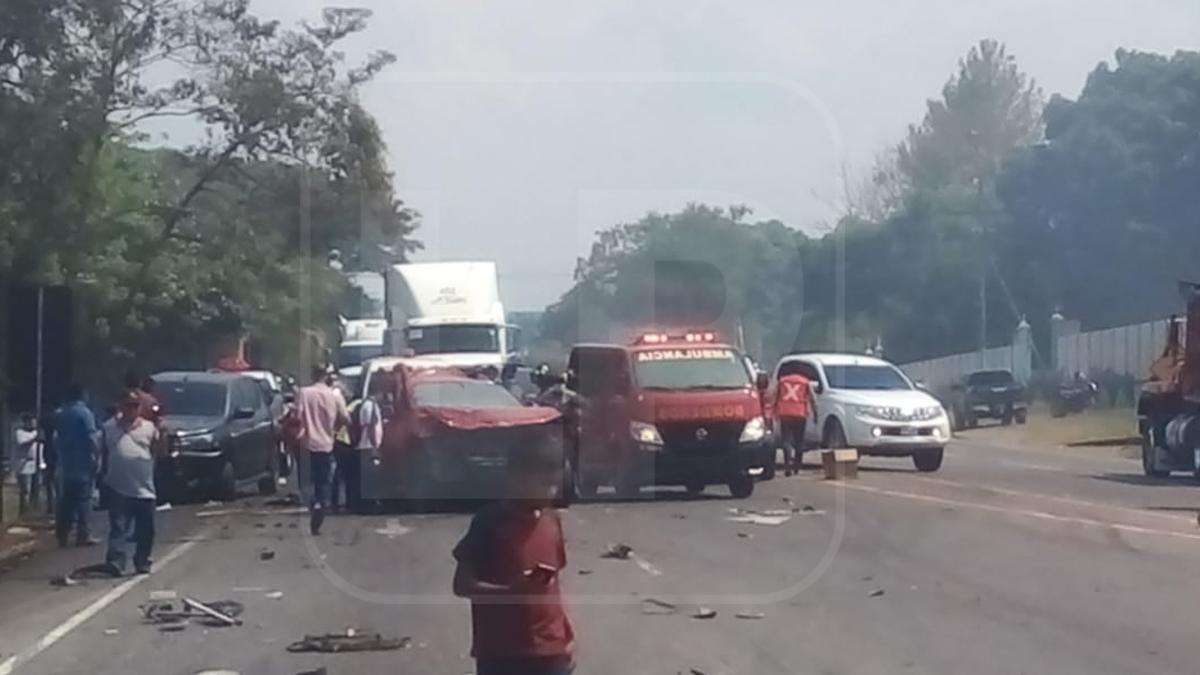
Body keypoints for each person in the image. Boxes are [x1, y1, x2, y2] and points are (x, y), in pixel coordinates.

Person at [452, 438, 576, 675]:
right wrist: (511, 590)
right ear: (516, 477)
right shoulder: (489, 523)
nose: (550, 492)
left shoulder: (551, 521)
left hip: (551, 651)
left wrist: (567, 636)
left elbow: (553, 588)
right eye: (543, 484)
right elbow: (462, 585)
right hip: (502, 654)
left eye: (554, 485)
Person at [101, 390, 165, 575]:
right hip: (118, 487)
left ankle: (142, 560)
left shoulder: (149, 428)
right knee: (118, 527)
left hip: (144, 488)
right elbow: (101, 452)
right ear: (121, 406)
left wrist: (163, 432)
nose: (131, 410)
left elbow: (160, 452)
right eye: (127, 405)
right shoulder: (109, 428)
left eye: (134, 406)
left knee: (146, 530)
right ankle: (116, 561)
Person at [294, 365, 349, 535]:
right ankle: (320, 503)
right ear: (325, 377)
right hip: (326, 444)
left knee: (307, 481)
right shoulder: (334, 395)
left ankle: (313, 504)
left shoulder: (304, 393)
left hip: (306, 444)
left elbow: (298, 416)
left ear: (312, 375)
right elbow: (346, 418)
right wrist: (335, 430)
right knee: (323, 481)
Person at [55, 384, 100, 547]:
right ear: (82, 395)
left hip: (67, 463)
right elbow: (91, 437)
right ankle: (84, 534)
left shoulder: (61, 413)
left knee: (67, 500)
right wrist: (96, 455)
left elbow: (56, 438)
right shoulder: (84, 413)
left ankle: (62, 534)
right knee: (84, 500)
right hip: (83, 462)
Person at [774, 370, 813, 476]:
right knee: (799, 441)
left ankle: (787, 466)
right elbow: (813, 398)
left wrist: (774, 412)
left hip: (785, 413)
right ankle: (797, 466)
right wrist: (815, 414)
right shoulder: (805, 382)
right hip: (800, 413)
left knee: (786, 440)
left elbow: (775, 397)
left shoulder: (782, 381)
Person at [12, 413, 41, 515]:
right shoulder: (20, 432)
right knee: (25, 491)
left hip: (34, 465)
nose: (33, 423)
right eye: (30, 421)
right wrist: (35, 435)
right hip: (23, 465)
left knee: (35, 491)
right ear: (25, 422)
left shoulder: (36, 433)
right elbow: (22, 441)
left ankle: (31, 511)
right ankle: (23, 512)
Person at [39, 411, 58, 515]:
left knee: (51, 484)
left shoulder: (52, 434)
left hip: (52, 458)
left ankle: (52, 506)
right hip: (51, 458)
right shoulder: (52, 434)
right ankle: (52, 506)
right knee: (51, 484)